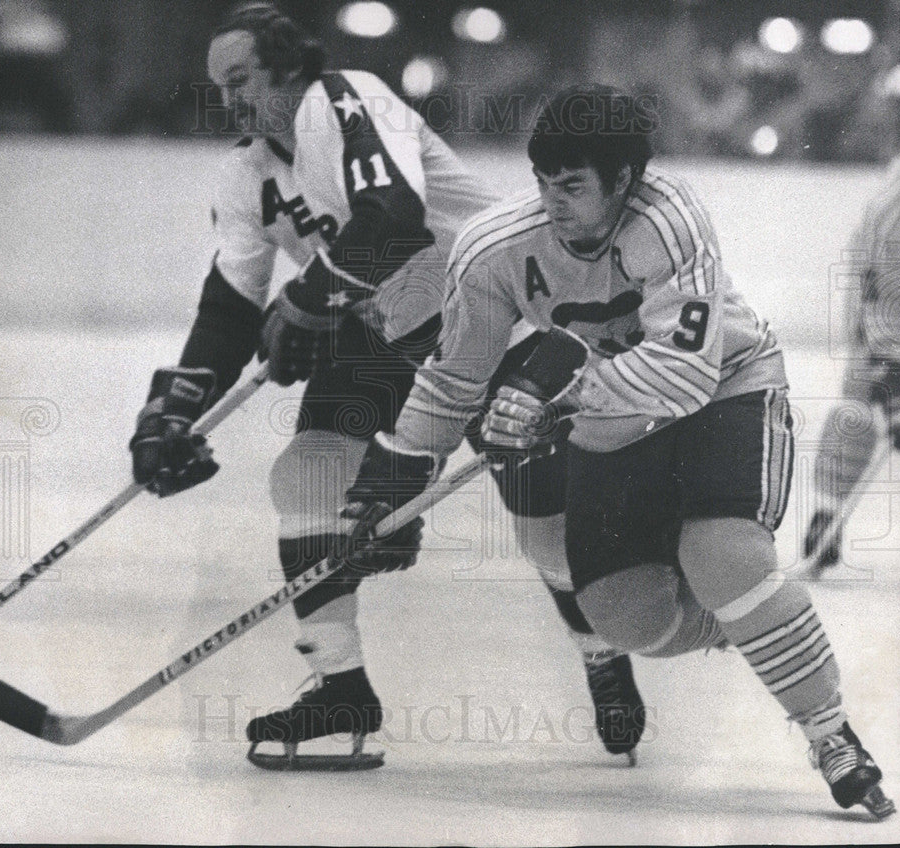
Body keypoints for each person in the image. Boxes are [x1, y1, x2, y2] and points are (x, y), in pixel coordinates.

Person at [343, 85, 896, 818]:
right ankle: (755, 619)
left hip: (725, 392)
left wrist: (558, 403)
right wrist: (398, 473)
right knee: (625, 618)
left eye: (572, 185)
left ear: (625, 181)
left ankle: (829, 731)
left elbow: (684, 367)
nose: (552, 201)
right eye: (543, 182)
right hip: (611, 423)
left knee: (724, 558)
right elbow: (455, 378)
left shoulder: (670, 218)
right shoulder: (494, 248)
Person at [128, 3, 645, 769]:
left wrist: (307, 300)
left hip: (484, 309)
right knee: (305, 474)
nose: (228, 100)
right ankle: (341, 687)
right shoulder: (246, 174)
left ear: (287, 66)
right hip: (376, 320)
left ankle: (601, 653)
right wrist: (169, 415)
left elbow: (394, 216)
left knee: (542, 524)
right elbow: (229, 311)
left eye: (240, 80)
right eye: (219, 85)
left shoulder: (345, 100)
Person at [803, 115, 900, 573]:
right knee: (857, 417)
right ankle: (827, 518)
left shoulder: (894, 186)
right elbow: (875, 285)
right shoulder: (896, 205)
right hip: (887, 343)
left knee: (856, 416)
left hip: (881, 340)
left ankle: (826, 518)